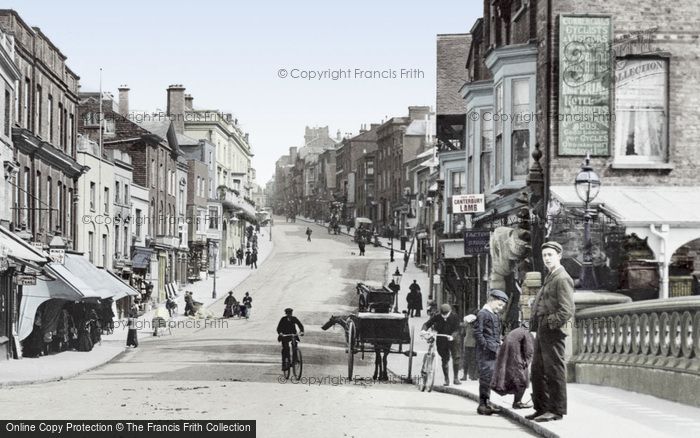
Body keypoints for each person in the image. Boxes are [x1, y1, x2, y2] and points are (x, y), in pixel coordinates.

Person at [527, 241, 574, 423]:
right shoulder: (551, 276)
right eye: (544, 255)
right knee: (538, 370)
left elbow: (566, 309)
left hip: (552, 331)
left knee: (554, 370)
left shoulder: (562, 278)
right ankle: (541, 407)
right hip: (542, 329)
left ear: (559, 256)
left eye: (550, 255)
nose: (546, 258)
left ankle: (556, 410)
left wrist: (549, 323)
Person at [474, 289, 508, 415]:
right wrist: (485, 346)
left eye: (502, 306)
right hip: (486, 352)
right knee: (485, 378)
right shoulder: (483, 313)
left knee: (489, 378)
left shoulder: (494, 314)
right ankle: (482, 405)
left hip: (494, 350)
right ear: (491, 300)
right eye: (499, 305)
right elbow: (477, 332)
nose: (500, 308)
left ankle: (486, 403)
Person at [491, 320, 535, 409]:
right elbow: (529, 351)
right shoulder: (527, 333)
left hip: (506, 360)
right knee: (523, 381)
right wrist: (526, 363)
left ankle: (516, 401)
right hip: (516, 359)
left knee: (513, 380)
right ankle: (517, 402)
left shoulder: (515, 331)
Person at [421, 303, 462, 386]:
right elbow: (427, 324)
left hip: (453, 339)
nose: (444, 316)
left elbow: (457, 329)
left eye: (446, 314)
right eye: (443, 314)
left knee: (456, 357)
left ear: (450, 312)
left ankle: (456, 378)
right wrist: (423, 330)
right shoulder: (437, 316)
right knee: (445, 358)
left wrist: (452, 336)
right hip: (442, 339)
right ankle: (446, 379)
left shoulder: (455, 317)